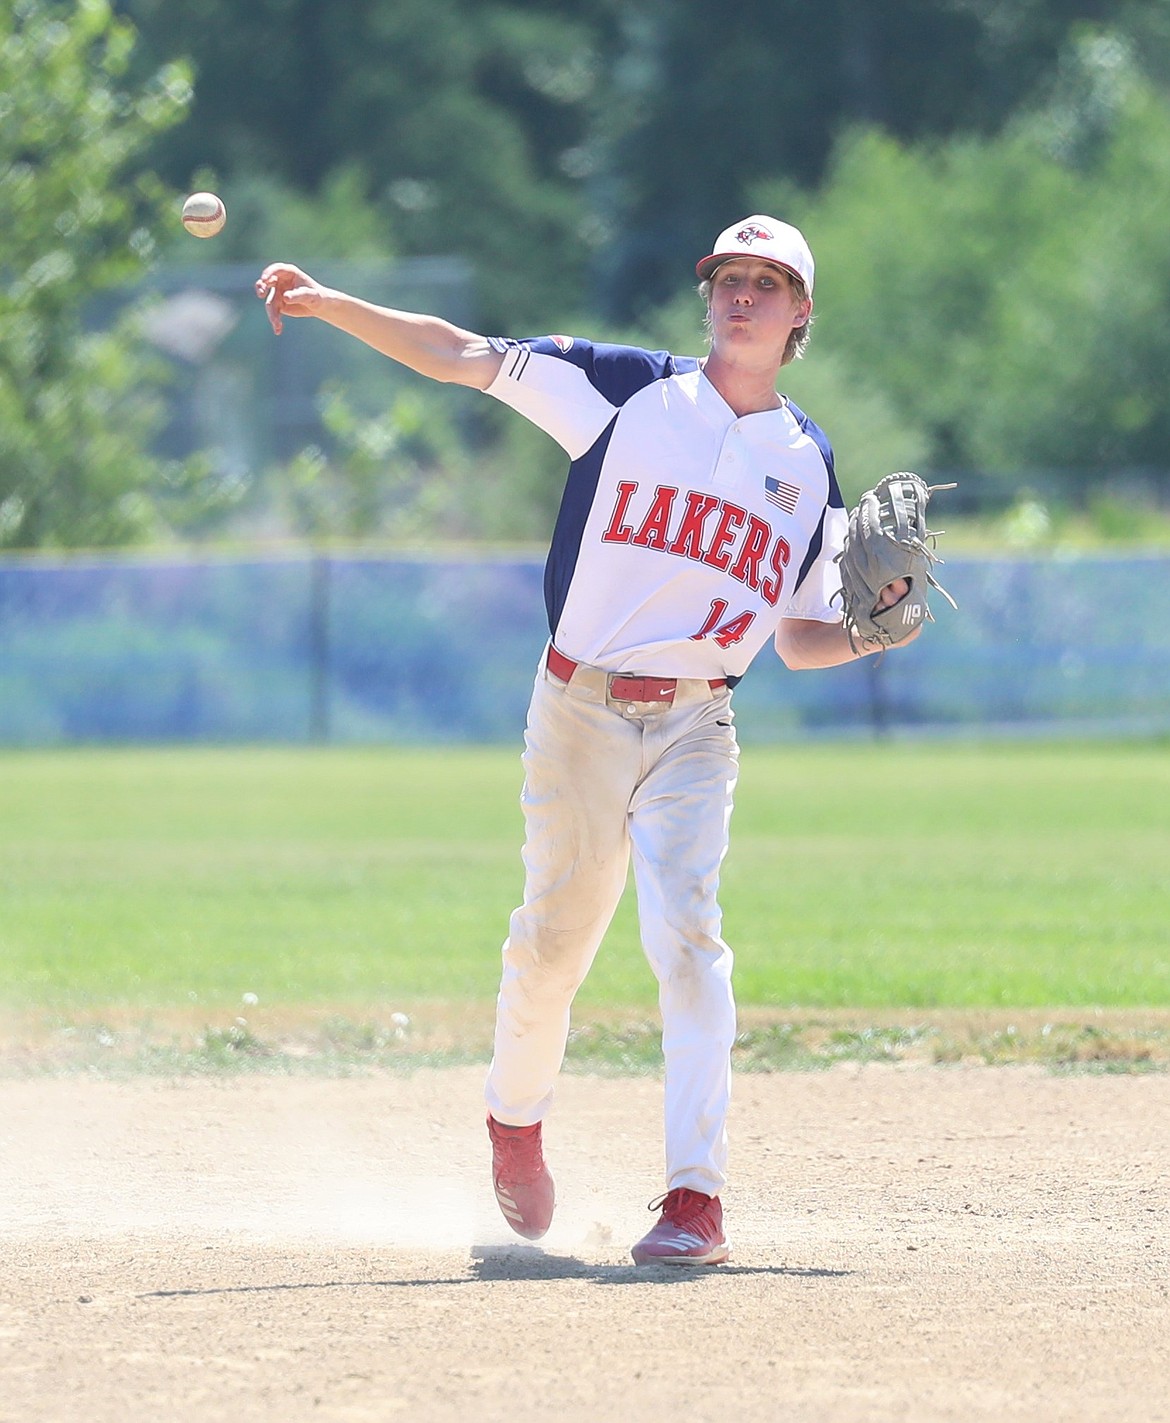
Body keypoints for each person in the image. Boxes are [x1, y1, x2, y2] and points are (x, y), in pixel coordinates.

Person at [256, 215, 919, 1266]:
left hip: (700, 717)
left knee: (688, 940)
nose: (741, 296)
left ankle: (695, 1199)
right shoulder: (627, 389)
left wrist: (875, 628)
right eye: (727, 278)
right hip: (580, 708)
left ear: (800, 315)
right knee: (553, 943)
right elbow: (463, 354)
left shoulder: (808, 460)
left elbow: (795, 636)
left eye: (766, 283)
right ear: (708, 296)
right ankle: (513, 1120)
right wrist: (334, 304)